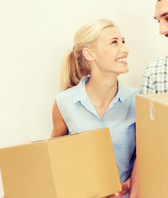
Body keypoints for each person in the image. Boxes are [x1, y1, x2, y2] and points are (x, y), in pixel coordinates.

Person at [51, 19, 138, 198]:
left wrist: (128, 185)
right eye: (114, 42)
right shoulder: (63, 103)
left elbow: (147, 157)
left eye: (123, 41)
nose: (125, 49)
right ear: (90, 54)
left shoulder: (138, 100)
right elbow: (54, 161)